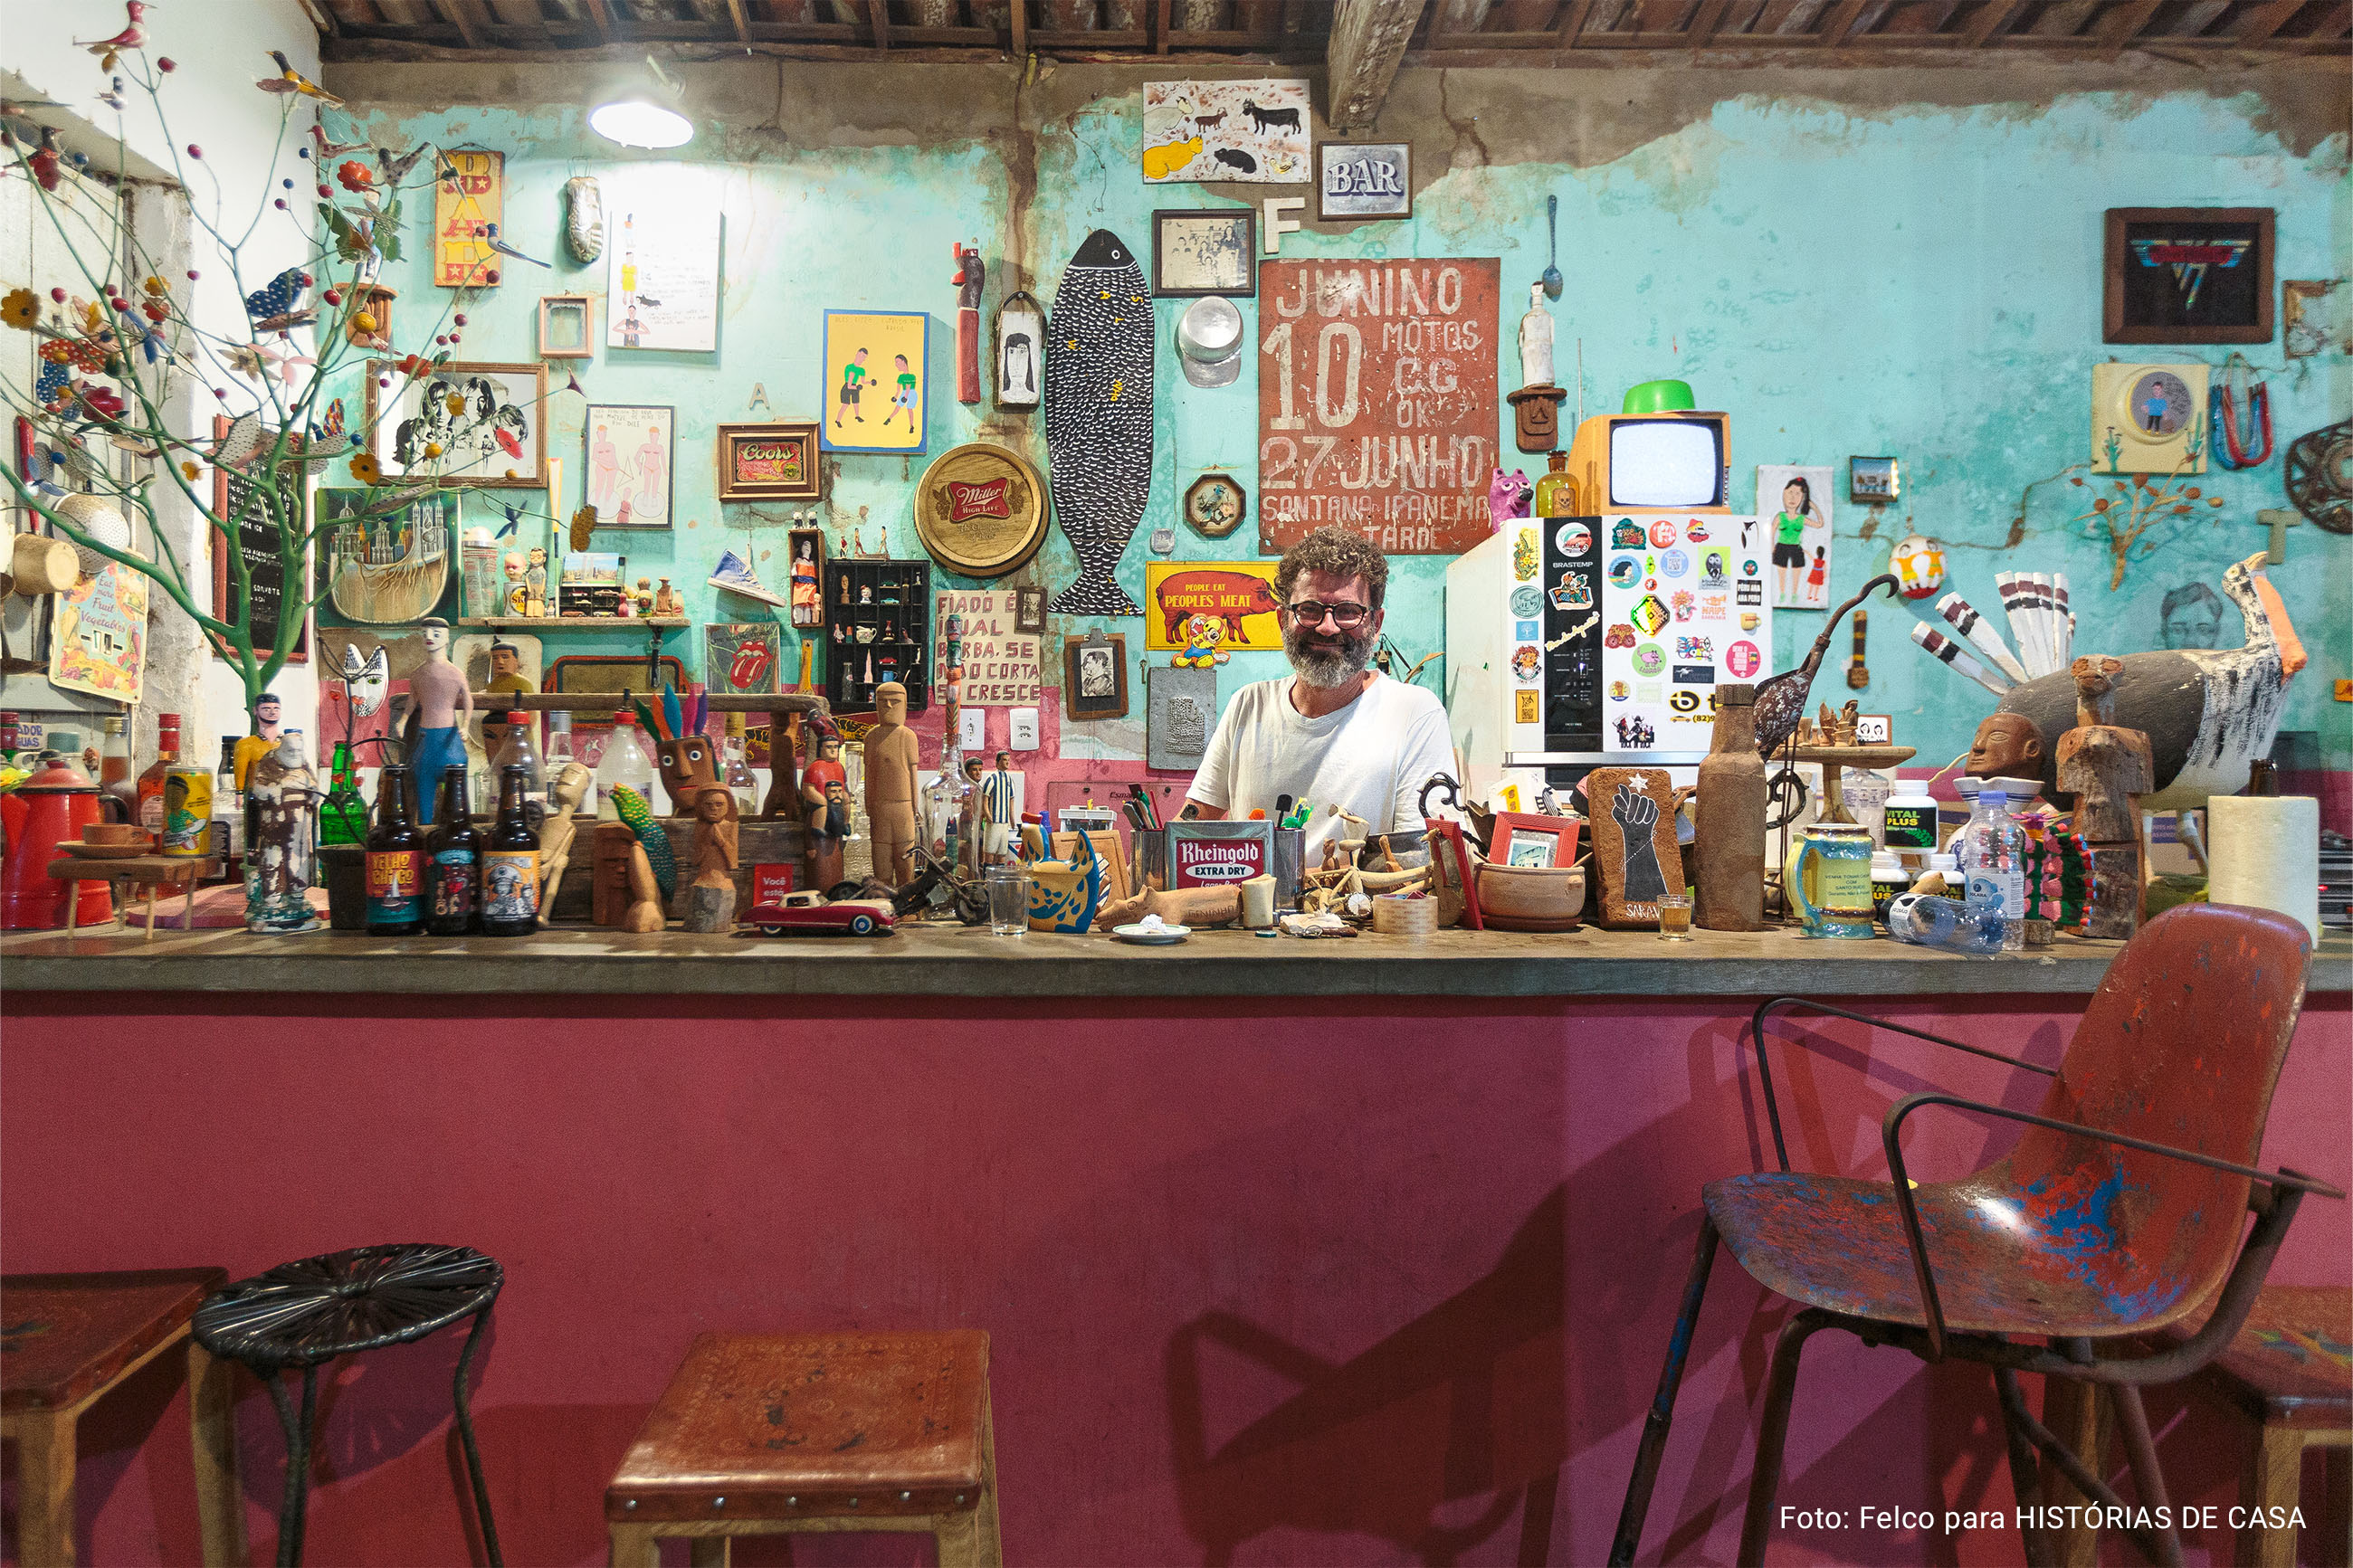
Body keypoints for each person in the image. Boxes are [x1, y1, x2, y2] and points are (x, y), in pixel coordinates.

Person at [1183, 527, 1453, 866]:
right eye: (1310, 609)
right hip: (1249, 915)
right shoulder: (1247, 705)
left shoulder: (1415, 712)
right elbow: (1193, 825)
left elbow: (1420, 860)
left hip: (1361, 915)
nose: (1327, 627)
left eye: (1347, 611)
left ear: (1376, 622)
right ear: (1283, 619)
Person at [1770, 476, 1815, 604]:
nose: (1793, 497)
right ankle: (1782, 594)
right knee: (1781, 575)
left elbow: (1819, 524)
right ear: (1784, 493)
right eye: (1790, 492)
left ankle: (1795, 595)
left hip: (1796, 548)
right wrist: (1771, 547)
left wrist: (1813, 507)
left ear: (1802, 497)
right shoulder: (1780, 516)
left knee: (1796, 575)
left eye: (1797, 494)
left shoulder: (1801, 518)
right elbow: (1771, 532)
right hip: (1781, 547)